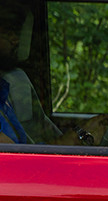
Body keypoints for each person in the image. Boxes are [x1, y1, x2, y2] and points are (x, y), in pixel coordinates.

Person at [0, 6, 62, 144]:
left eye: (17, 32)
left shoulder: (6, 86)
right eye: (7, 32)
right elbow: (13, 154)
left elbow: (26, 148)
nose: (16, 40)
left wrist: (79, 136)